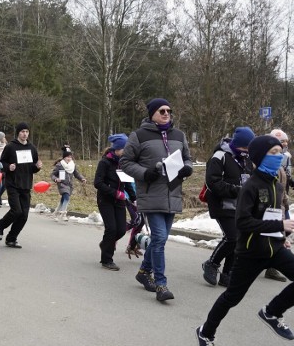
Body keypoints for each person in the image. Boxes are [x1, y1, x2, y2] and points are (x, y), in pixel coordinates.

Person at [196, 135, 294, 346]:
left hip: (275, 248)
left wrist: (282, 234)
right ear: (260, 157)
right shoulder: (249, 186)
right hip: (250, 253)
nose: (279, 156)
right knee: (231, 297)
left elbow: (272, 215)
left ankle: (272, 312)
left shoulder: (277, 186)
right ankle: (205, 333)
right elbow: (243, 223)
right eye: (273, 153)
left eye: (280, 152)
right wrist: (279, 224)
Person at [121, 98, 193, 301]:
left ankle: (144, 272)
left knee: (160, 239)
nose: (166, 113)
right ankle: (161, 285)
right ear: (152, 113)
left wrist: (187, 167)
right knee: (160, 238)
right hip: (150, 193)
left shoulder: (179, 135)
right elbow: (125, 162)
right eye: (161, 110)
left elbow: (188, 158)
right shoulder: (139, 135)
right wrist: (145, 173)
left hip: (173, 193)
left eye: (169, 110)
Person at [201, 127, 255, 287]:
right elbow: (212, 183)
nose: (247, 151)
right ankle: (211, 263)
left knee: (239, 240)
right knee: (232, 237)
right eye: (245, 147)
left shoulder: (247, 159)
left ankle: (227, 273)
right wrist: (237, 190)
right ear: (237, 144)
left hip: (240, 205)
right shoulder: (219, 157)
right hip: (221, 205)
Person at [0, 122, 43, 249]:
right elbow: (2, 163)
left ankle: (11, 238)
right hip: (13, 184)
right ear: (18, 133)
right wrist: (8, 167)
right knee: (16, 211)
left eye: (27, 132)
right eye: (22, 131)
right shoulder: (11, 147)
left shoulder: (32, 148)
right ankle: (0, 225)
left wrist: (37, 167)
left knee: (24, 215)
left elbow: (32, 167)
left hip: (26, 185)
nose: (25, 134)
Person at [93, 134, 135, 270]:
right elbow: (98, 183)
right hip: (105, 199)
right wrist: (115, 192)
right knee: (111, 229)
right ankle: (107, 259)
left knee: (121, 230)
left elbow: (127, 182)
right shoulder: (104, 162)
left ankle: (105, 244)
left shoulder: (124, 163)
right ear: (117, 149)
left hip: (119, 201)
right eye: (124, 148)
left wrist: (134, 198)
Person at [51, 145, 87, 221]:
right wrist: (56, 179)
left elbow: (76, 174)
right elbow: (52, 175)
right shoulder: (60, 165)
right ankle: (63, 214)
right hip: (62, 184)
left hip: (69, 185)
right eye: (67, 157)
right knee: (66, 197)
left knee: (63, 199)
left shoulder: (72, 165)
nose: (69, 158)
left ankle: (56, 214)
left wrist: (82, 179)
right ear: (64, 157)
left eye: (70, 157)